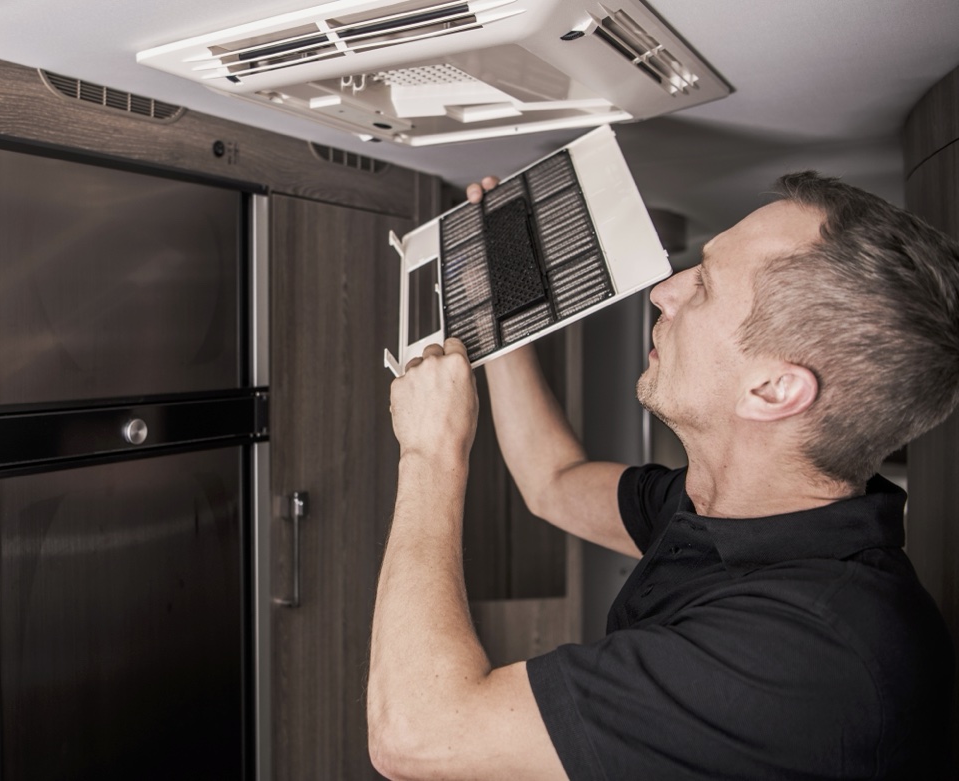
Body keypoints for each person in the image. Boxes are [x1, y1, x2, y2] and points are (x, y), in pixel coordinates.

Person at [367, 171, 958, 780]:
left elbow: (418, 736)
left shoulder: (805, 651)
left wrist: (430, 453)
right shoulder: (742, 507)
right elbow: (555, 483)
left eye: (703, 286)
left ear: (774, 389)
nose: (664, 292)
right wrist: (496, 309)